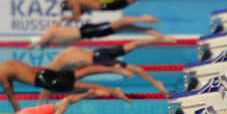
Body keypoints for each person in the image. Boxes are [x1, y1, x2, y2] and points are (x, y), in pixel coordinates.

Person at [0, 60, 130, 112]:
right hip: (46, 74)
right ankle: (113, 69)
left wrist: (17, 112)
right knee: (83, 72)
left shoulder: (1, 75)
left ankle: (114, 92)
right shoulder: (3, 64)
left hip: (47, 82)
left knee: (87, 87)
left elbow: (10, 95)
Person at [45, 37, 175, 93]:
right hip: (100, 52)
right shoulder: (65, 53)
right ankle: (159, 38)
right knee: (133, 44)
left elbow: (49, 81)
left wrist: (118, 70)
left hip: (101, 60)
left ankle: (156, 83)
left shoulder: (59, 65)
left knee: (135, 69)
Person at [29, 15, 165, 48]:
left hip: (88, 32)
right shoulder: (52, 30)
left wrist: (31, 46)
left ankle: (143, 18)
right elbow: (59, 21)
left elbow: (41, 43)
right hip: (87, 29)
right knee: (119, 27)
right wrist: (66, 18)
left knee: (119, 24)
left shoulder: (49, 35)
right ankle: (147, 29)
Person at [60, 0, 172, 22]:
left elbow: (76, 17)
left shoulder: (74, 3)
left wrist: (67, 18)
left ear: (68, 4)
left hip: (107, 4)